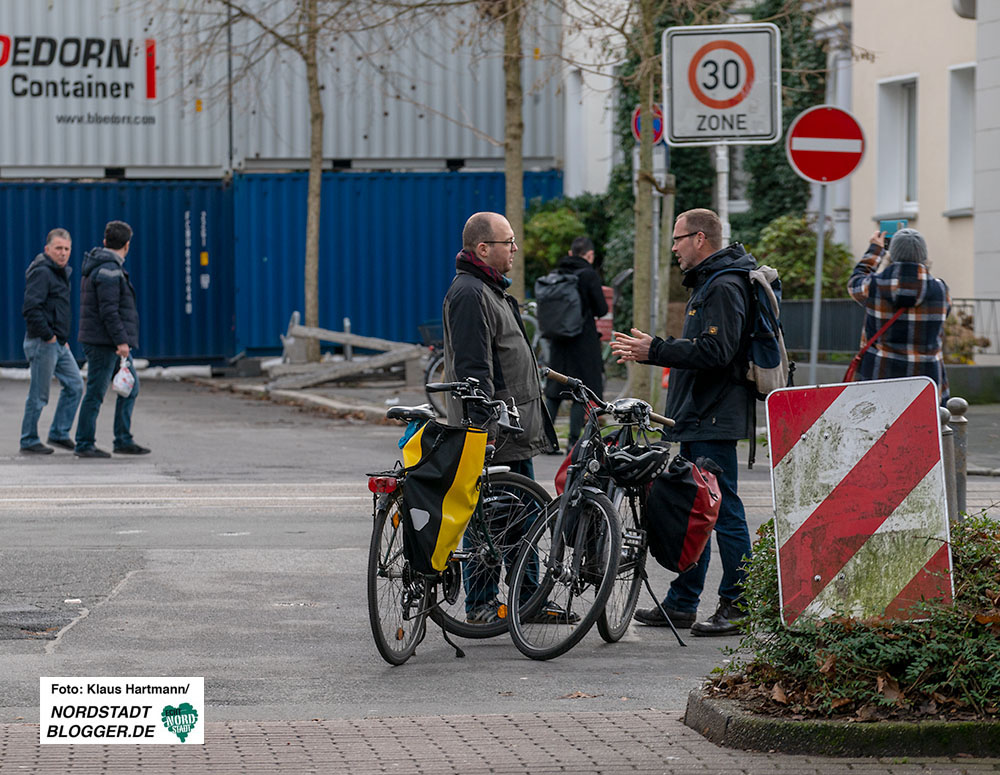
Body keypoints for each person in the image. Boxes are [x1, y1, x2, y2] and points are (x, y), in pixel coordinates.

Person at [611, 208, 754, 637]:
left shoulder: (725, 286)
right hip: (699, 415)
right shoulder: (711, 283)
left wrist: (656, 350)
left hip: (713, 416)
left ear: (699, 239)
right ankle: (683, 602)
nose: (673, 248)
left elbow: (717, 353)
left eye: (677, 239)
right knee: (698, 510)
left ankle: (739, 602)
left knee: (723, 510)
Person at [442, 211, 559, 624]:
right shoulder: (471, 294)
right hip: (496, 432)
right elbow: (473, 371)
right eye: (508, 242)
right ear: (483, 249)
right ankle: (481, 605)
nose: (514, 249)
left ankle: (528, 602)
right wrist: (484, 433)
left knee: (523, 519)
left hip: (513, 429)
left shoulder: (489, 290)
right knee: (491, 521)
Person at [74, 220, 150, 458]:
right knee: (96, 392)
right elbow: (109, 311)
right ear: (127, 245)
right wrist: (121, 341)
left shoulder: (105, 265)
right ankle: (85, 443)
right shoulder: (109, 270)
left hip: (106, 340)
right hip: (104, 342)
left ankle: (123, 439)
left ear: (106, 241)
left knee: (131, 388)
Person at [847, 228, 951, 400]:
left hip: (879, 378)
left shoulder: (873, 286)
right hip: (926, 381)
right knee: (924, 426)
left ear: (892, 254)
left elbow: (854, 281)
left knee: (880, 426)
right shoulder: (941, 290)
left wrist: (875, 249)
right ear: (923, 255)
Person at [20, 228, 85, 455]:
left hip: (57, 344)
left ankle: (59, 432)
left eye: (67, 249)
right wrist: (48, 336)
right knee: (39, 395)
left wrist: (60, 339)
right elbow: (30, 308)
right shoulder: (42, 272)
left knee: (76, 385)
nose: (63, 253)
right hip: (42, 342)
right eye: (58, 248)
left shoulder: (59, 273)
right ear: (47, 249)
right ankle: (28, 439)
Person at [542, 236, 609, 450]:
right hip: (582, 341)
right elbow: (601, 309)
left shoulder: (557, 274)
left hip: (558, 341)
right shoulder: (588, 274)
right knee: (582, 389)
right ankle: (572, 442)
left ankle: (547, 441)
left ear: (571, 253)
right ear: (589, 255)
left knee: (555, 389)